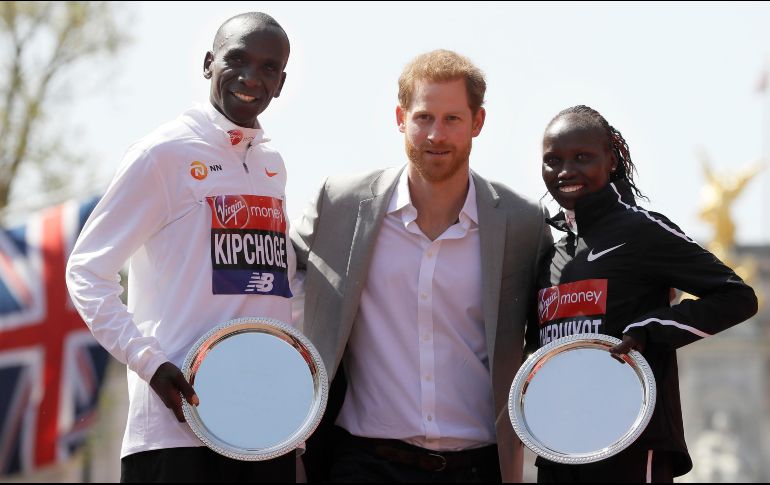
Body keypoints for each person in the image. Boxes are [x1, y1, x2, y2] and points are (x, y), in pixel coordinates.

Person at [291, 49, 553, 483]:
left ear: (478, 123)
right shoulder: (341, 204)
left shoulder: (522, 222)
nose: (436, 135)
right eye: (424, 117)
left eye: (453, 119)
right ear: (400, 117)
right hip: (361, 462)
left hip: (479, 465)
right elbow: (274, 273)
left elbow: (555, 308)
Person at [66, 12, 297, 483]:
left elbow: (277, 283)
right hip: (175, 435)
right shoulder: (163, 153)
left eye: (268, 68)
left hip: (264, 429)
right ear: (209, 63)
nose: (251, 78)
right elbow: (87, 271)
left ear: (281, 82)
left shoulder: (272, 163)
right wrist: (150, 364)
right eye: (237, 59)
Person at [532, 105, 758, 482]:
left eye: (582, 157)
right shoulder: (552, 251)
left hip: (631, 441)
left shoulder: (641, 230)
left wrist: (648, 331)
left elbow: (737, 296)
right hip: (559, 445)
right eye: (553, 160)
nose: (566, 171)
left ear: (612, 158)